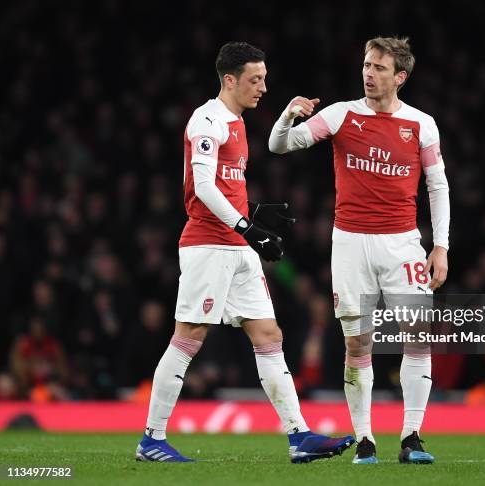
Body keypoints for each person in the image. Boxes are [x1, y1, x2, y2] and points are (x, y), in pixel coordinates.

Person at [137, 42, 354, 463]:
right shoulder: (207, 120)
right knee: (189, 337)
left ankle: (299, 436)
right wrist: (247, 226)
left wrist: (253, 212)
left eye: (265, 78)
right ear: (230, 80)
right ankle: (152, 438)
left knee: (268, 335)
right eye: (256, 80)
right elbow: (201, 189)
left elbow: (222, 184)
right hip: (208, 245)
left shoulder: (236, 121)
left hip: (236, 245)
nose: (263, 87)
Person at [269, 36, 450, 464]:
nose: (369, 74)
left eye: (379, 68)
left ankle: (412, 437)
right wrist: (287, 115)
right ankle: (365, 440)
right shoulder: (339, 115)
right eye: (367, 65)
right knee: (358, 345)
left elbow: (437, 185)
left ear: (400, 77)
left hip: (402, 243)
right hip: (350, 244)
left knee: (417, 338)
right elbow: (280, 146)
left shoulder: (422, 124)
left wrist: (440, 246)